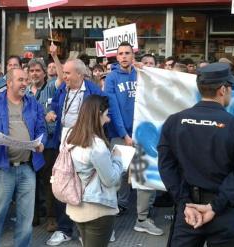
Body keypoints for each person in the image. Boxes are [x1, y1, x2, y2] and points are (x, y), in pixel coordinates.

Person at [158, 62, 234, 246]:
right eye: (231, 88)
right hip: (222, 212)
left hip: (189, 210)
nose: (232, 93)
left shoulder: (174, 122)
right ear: (222, 90)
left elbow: (166, 166)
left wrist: (185, 201)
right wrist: (215, 207)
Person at [0, 68, 46, 247]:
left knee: (25, 221)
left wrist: (41, 142)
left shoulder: (33, 104)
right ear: (9, 83)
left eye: (26, 80)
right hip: (1, 170)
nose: (25, 83)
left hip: (27, 168)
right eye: (20, 80)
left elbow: (41, 129)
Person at [105, 41, 163, 236]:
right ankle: (107, 223)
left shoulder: (142, 74)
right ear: (116, 56)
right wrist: (124, 135)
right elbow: (112, 108)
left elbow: (157, 93)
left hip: (144, 136)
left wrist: (145, 68)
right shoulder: (111, 77)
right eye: (120, 53)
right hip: (121, 136)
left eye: (127, 53)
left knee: (145, 176)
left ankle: (143, 219)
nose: (123, 56)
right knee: (114, 179)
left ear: (133, 55)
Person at [45, 58, 104, 246]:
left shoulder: (94, 92)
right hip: (63, 143)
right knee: (63, 184)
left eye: (68, 73)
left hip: (85, 144)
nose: (64, 76)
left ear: (80, 74)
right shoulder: (63, 88)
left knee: (85, 187)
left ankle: (84, 229)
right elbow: (54, 105)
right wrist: (51, 113)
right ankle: (64, 229)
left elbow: (101, 115)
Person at [63, 95, 122, 247]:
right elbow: (110, 179)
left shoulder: (71, 137)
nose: (108, 120)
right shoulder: (97, 146)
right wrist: (118, 159)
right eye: (106, 115)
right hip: (98, 208)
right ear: (98, 114)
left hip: (76, 206)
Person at [26, 58, 58, 229]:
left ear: (44, 73)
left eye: (38, 70)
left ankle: (51, 217)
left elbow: (62, 78)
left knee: (49, 181)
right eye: (31, 71)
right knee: (31, 181)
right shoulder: (25, 93)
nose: (34, 74)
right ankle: (34, 215)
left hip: (49, 144)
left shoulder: (52, 87)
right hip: (29, 144)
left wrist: (56, 57)